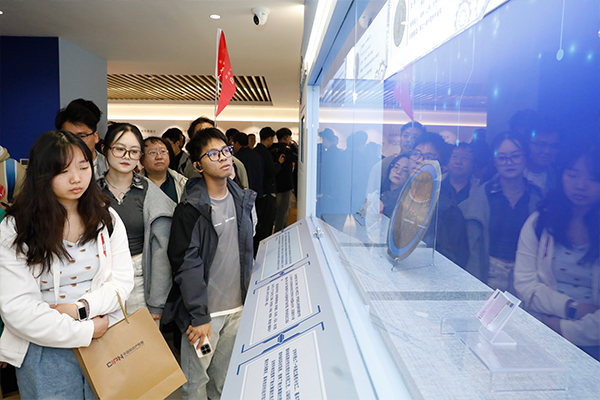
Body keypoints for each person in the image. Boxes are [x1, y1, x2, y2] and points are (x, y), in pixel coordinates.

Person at [0, 130, 134, 398]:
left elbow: (121, 282)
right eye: (63, 171)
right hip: (44, 348)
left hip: (104, 338)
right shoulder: (17, 227)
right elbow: (17, 308)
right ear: (42, 175)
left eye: (83, 167)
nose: (76, 178)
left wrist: (80, 310)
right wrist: (85, 330)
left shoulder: (106, 218)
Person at [164, 128, 256, 399]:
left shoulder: (242, 199)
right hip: (205, 316)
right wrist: (199, 315)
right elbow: (185, 264)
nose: (224, 157)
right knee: (196, 383)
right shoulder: (190, 209)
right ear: (198, 165)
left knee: (224, 381)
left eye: (226, 150)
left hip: (237, 309)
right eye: (213, 154)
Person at [514, 145, 599, 360]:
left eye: (593, 178)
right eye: (572, 175)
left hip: (592, 341)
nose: (581, 185)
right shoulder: (540, 222)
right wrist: (571, 309)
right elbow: (524, 284)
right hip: (543, 330)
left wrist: (562, 328)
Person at [98, 123, 175, 320]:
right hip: (99, 281)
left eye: (133, 152)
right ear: (105, 149)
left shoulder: (150, 194)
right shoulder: (90, 191)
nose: (126, 156)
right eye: (119, 149)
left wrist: (157, 301)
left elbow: (162, 252)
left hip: (139, 280)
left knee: (142, 338)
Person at [460, 131, 543, 291]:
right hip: (488, 272)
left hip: (527, 276)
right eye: (502, 157)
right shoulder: (481, 196)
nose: (509, 162)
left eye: (515, 156)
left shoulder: (537, 197)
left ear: (525, 158)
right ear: (494, 161)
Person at [55, 99, 107, 177]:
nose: (75, 142)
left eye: (82, 136)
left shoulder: (110, 167)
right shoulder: (51, 168)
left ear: (96, 137)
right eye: (68, 136)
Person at [254, 127, 285, 253]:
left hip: (258, 191)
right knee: (267, 222)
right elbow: (271, 172)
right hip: (267, 191)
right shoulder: (265, 153)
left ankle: (256, 249)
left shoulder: (255, 151)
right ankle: (263, 250)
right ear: (269, 139)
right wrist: (279, 163)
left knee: (259, 221)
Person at [141, 136, 188, 203]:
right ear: (141, 159)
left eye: (163, 151)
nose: (159, 157)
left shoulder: (182, 183)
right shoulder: (132, 185)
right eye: (152, 152)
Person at [271, 128, 298, 232]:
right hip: (285, 184)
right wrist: (294, 146)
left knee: (276, 211)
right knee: (283, 212)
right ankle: (280, 233)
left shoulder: (272, 148)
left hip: (274, 183)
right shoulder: (287, 150)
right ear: (286, 138)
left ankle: (275, 231)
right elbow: (298, 157)